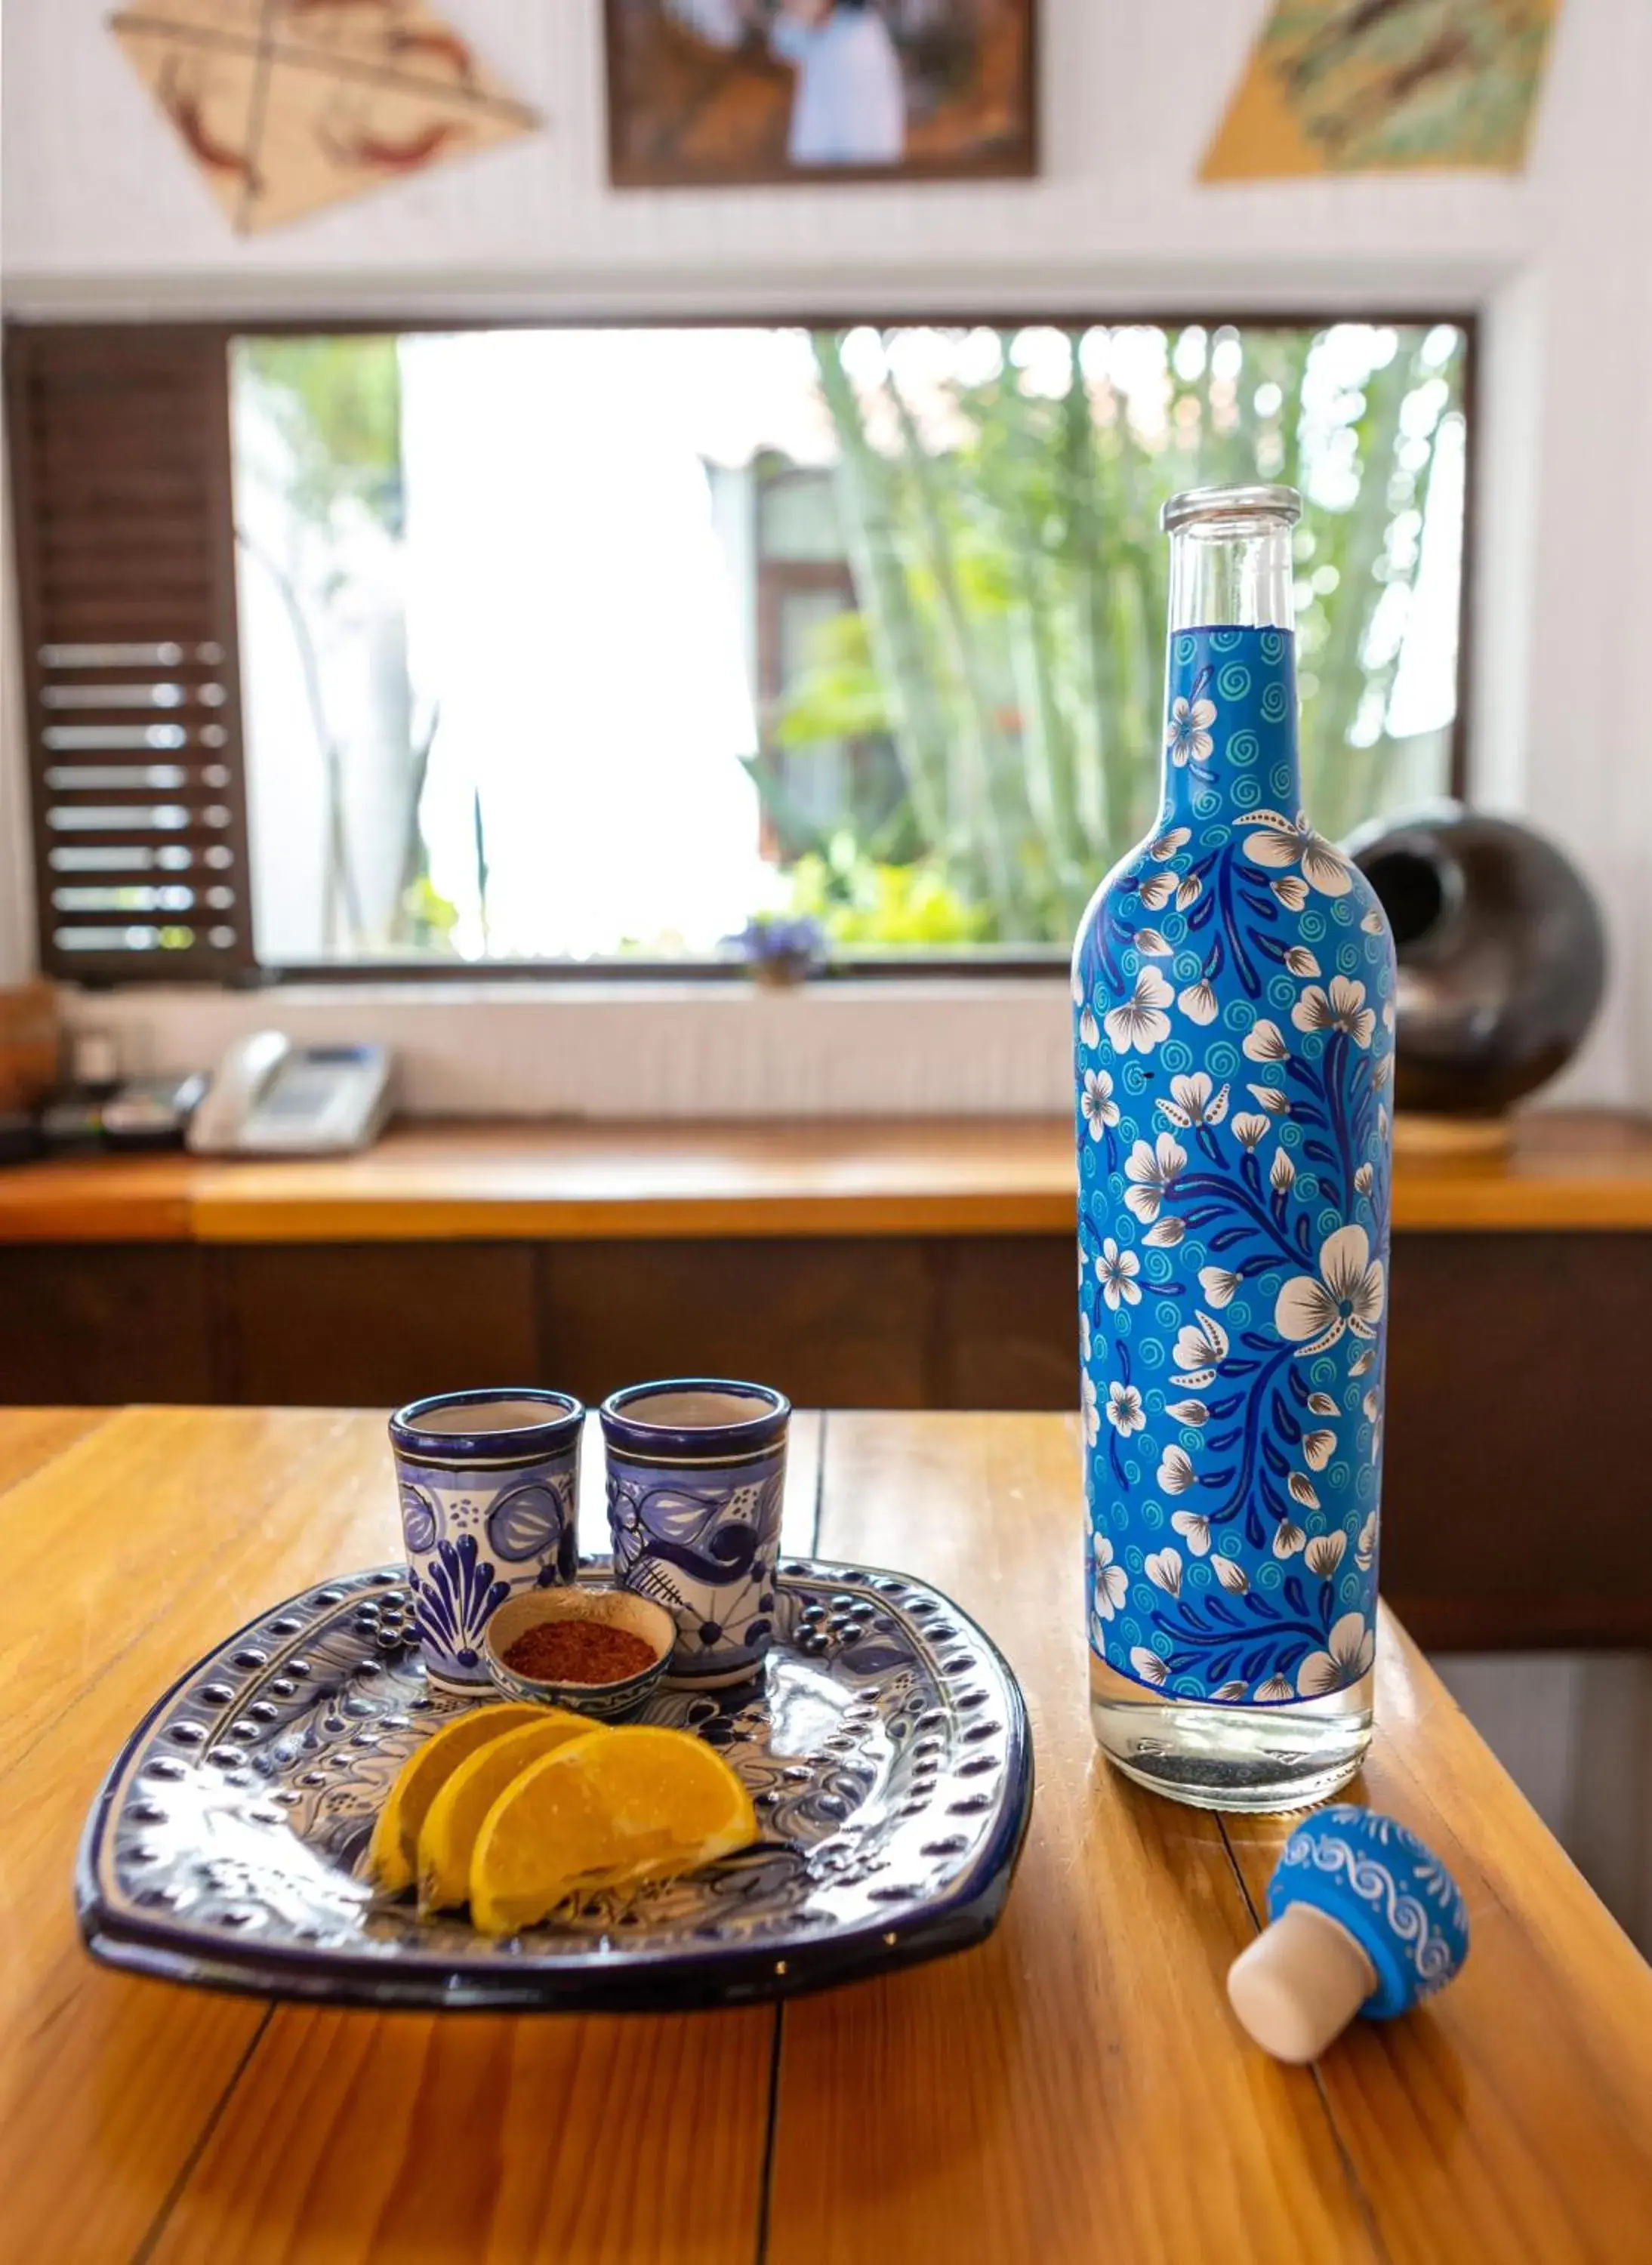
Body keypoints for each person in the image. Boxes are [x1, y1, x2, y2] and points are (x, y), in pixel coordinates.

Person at [764, 0, 907, 168]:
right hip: (818, 180)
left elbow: (861, 163)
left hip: (845, 182)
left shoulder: (856, 50)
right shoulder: (826, 28)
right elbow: (783, 41)